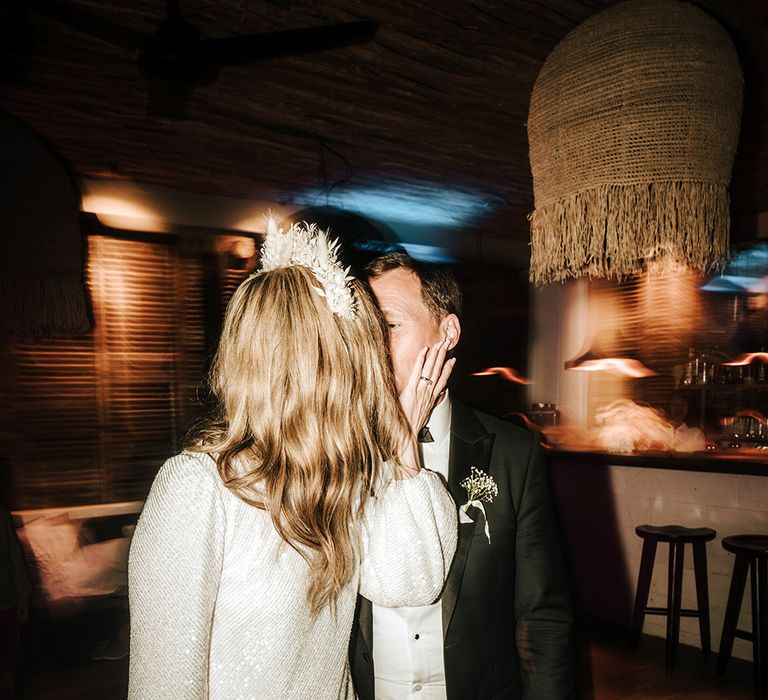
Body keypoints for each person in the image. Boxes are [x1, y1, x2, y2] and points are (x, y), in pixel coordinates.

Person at [128, 220, 458, 699]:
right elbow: (163, 687)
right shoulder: (198, 487)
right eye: (360, 354)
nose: (374, 372)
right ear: (320, 367)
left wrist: (404, 448)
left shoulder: (339, 478)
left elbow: (412, 582)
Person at [350, 253, 574, 700]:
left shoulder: (514, 454)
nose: (372, 346)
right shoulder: (334, 449)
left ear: (448, 332)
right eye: (365, 330)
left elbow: (541, 615)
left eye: (390, 326)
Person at [0, 504, 31, 700]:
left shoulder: (1, 515)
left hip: (5, 602)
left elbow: (14, 557)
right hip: (6, 601)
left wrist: (22, 596)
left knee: (6, 664)